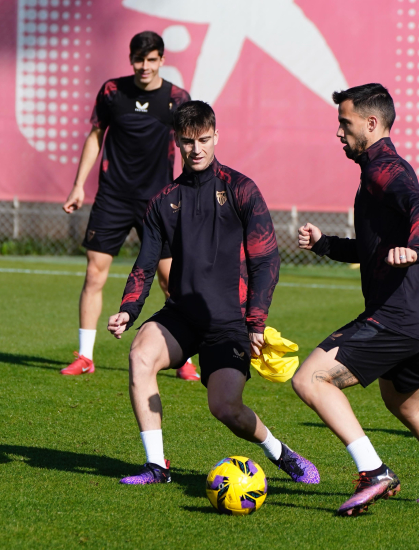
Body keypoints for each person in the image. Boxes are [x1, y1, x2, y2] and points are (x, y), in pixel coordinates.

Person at [107, 101, 320, 485]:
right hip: (182, 315)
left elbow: (266, 261)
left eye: (204, 140)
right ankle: (156, 466)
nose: (197, 149)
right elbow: (144, 262)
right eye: (188, 142)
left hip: (230, 321)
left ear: (216, 137)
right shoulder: (163, 202)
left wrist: (256, 322)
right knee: (140, 356)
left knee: (225, 408)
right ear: (177, 142)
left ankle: (281, 453)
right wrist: (128, 309)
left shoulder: (241, 190)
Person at [294, 83, 419, 515]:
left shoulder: (386, 170)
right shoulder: (372, 173)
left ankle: (374, 471)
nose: (339, 132)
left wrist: (417, 247)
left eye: (345, 123)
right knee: (403, 401)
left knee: (310, 379)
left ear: (371, 123)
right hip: (418, 317)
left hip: (397, 316)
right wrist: (325, 244)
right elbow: (371, 249)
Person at [62, 31, 199, 380]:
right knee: (94, 273)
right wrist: (79, 186)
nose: (144, 66)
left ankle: (183, 357)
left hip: (158, 202)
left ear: (162, 61)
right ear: (131, 59)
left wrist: (190, 192)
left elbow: (190, 145)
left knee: (171, 282)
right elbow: (95, 136)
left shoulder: (177, 98)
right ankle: (85, 356)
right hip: (113, 198)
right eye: (139, 59)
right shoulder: (112, 92)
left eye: (151, 60)